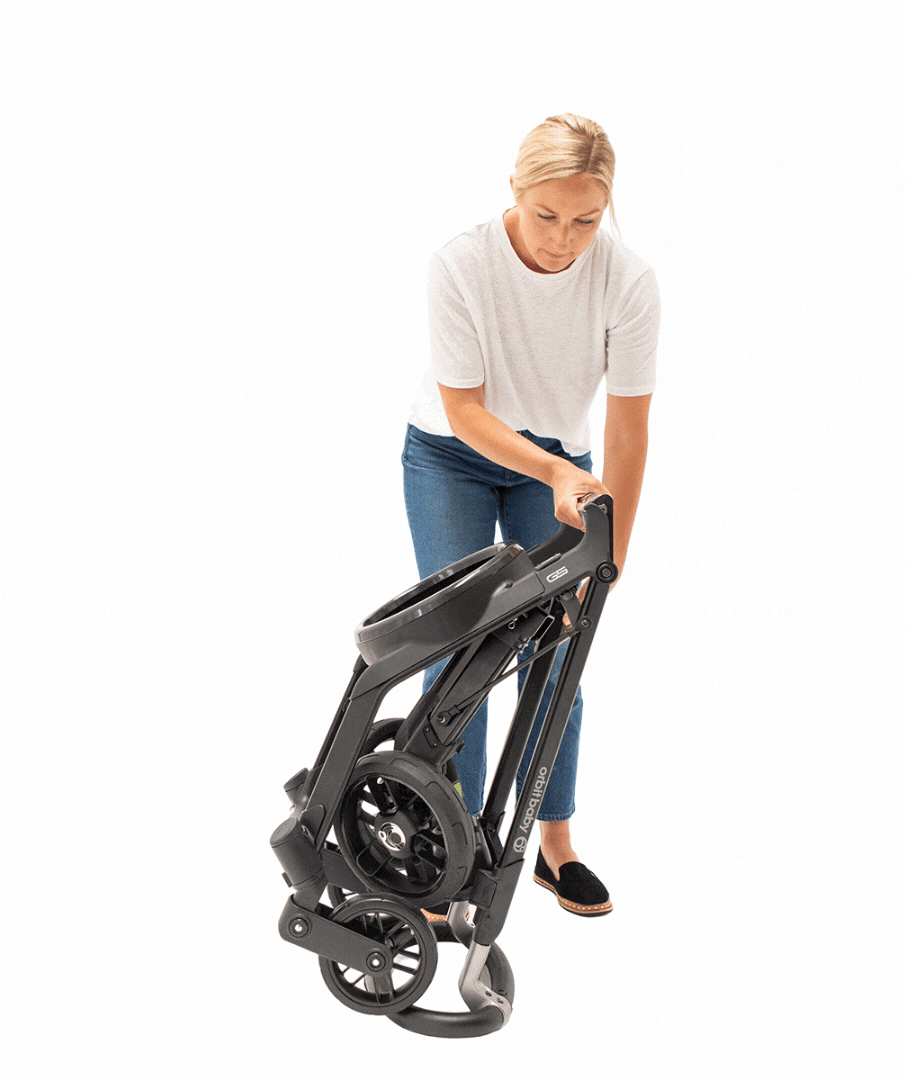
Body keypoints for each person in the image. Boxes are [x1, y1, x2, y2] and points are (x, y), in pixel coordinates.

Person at [402, 114, 659, 917]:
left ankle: (554, 846)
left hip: (558, 468)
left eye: (586, 220)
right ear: (514, 188)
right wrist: (554, 473)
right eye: (546, 214)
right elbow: (466, 411)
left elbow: (628, 431)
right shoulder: (461, 264)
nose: (562, 240)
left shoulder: (628, 282)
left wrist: (611, 556)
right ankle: (449, 847)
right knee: (463, 652)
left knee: (558, 649)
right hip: (453, 457)